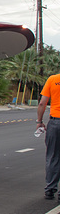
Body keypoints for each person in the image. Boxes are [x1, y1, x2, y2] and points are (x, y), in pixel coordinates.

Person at [36, 73, 60, 202]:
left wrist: (39, 121)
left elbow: (42, 103)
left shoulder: (53, 79)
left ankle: (50, 189)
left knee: (53, 156)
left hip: (55, 122)